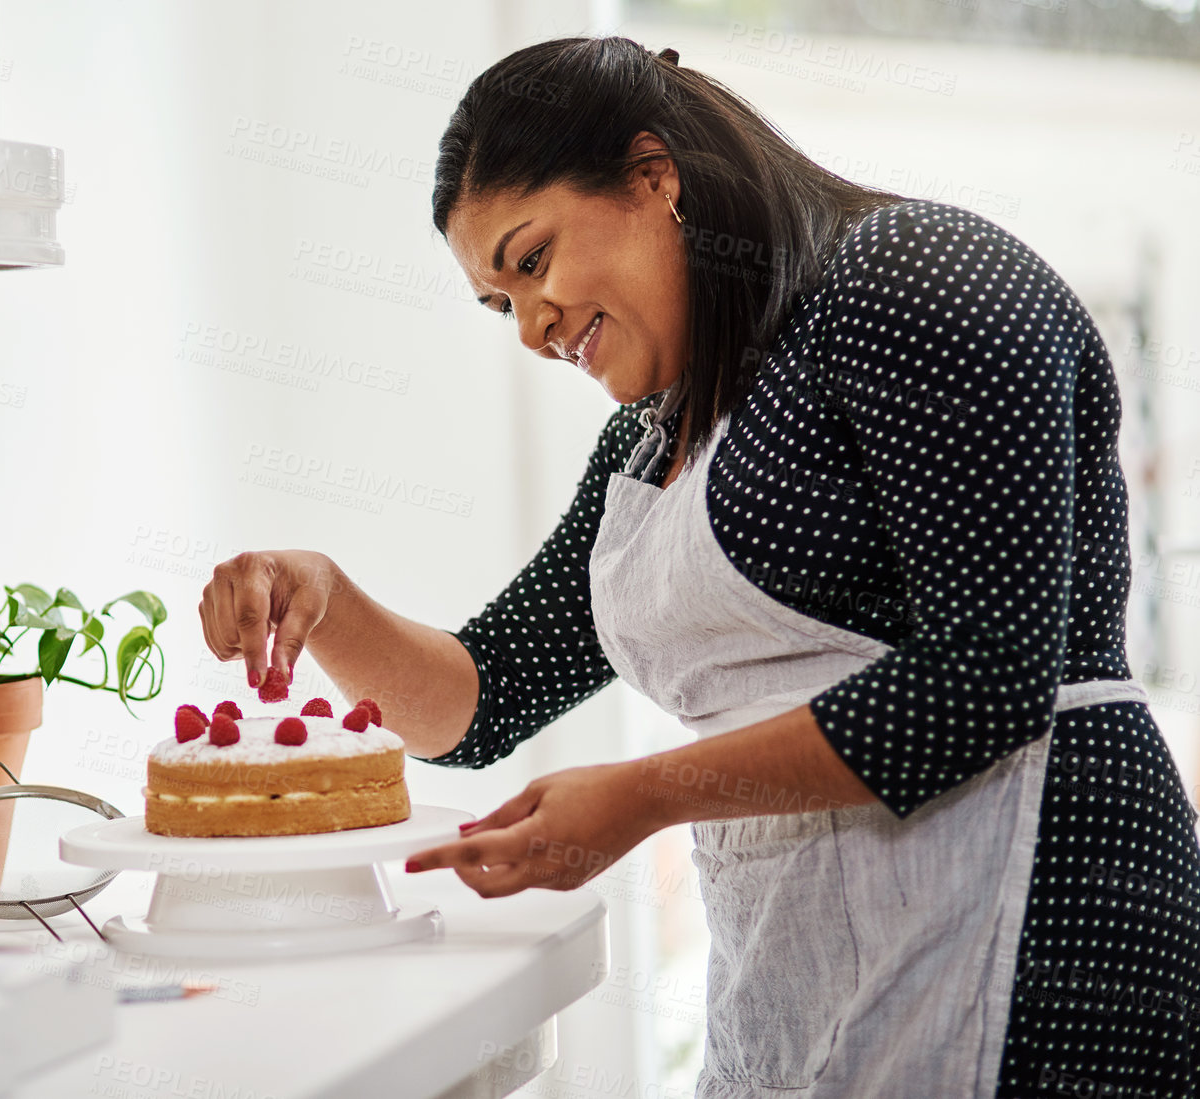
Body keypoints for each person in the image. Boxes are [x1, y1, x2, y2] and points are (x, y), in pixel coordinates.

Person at [196, 36, 1199, 1098]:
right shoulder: (650, 438)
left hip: (1045, 937)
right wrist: (324, 599)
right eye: (499, 304)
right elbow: (481, 701)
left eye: (530, 261)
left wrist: (643, 796)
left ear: (651, 175)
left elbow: (987, 678)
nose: (530, 328)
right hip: (813, 971)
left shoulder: (914, 279)